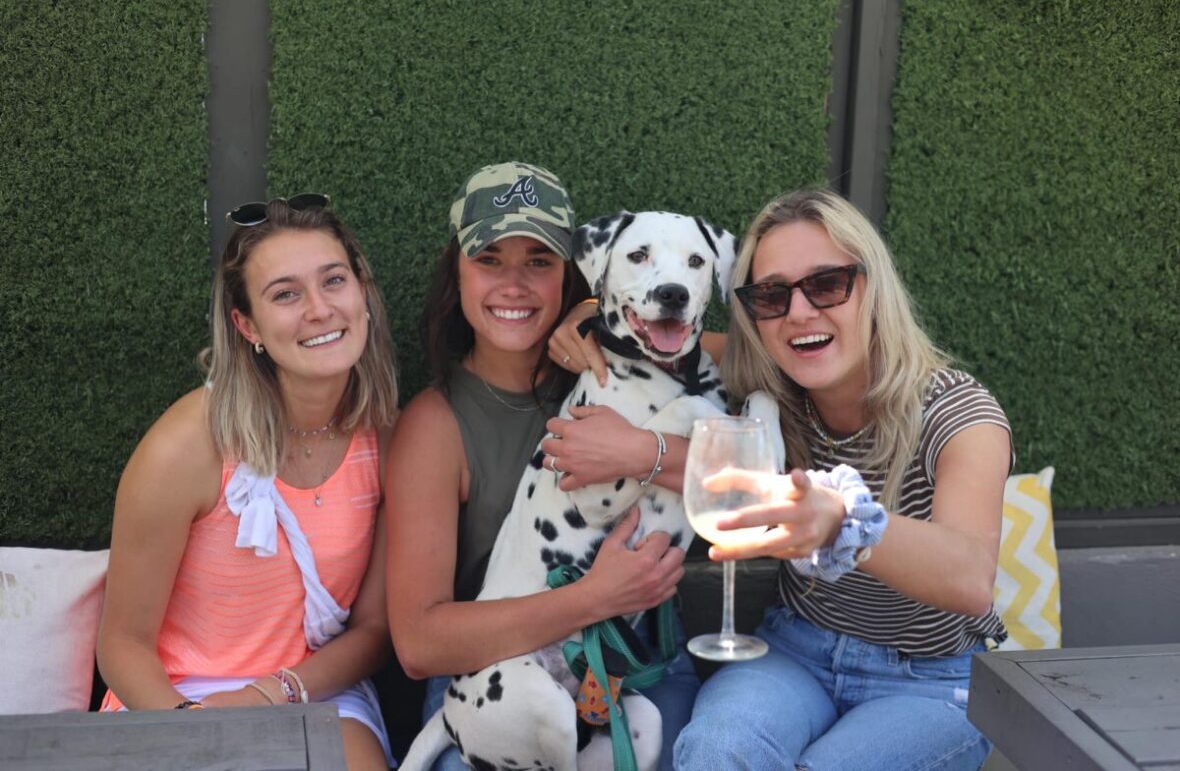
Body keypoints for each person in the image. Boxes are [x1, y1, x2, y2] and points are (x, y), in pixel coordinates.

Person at [672, 188, 1013, 771]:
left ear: (872, 287)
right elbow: (661, 340)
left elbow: (970, 576)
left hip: (928, 678)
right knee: (715, 750)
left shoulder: (959, 414)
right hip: (794, 650)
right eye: (772, 296)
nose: (800, 312)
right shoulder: (778, 391)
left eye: (827, 285)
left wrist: (841, 524)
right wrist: (583, 319)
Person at [385, 161, 700, 771]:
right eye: (490, 259)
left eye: (539, 261)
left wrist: (592, 316)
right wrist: (594, 598)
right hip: (497, 685)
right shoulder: (436, 424)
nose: (515, 284)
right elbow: (420, 644)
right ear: (457, 273)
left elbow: (740, 359)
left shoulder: (625, 360)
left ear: (572, 274)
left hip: (638, 670)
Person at [97, 195, 400, 770]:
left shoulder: (384, 436)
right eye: (285, 294)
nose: (318, 309)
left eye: (333, 281)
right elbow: (122, 644)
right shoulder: (187, 445)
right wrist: (196, 730)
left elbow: (376, 629)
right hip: (173, 696)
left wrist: (270, 693)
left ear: (363, 295)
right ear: (246, 325)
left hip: (311, 688)